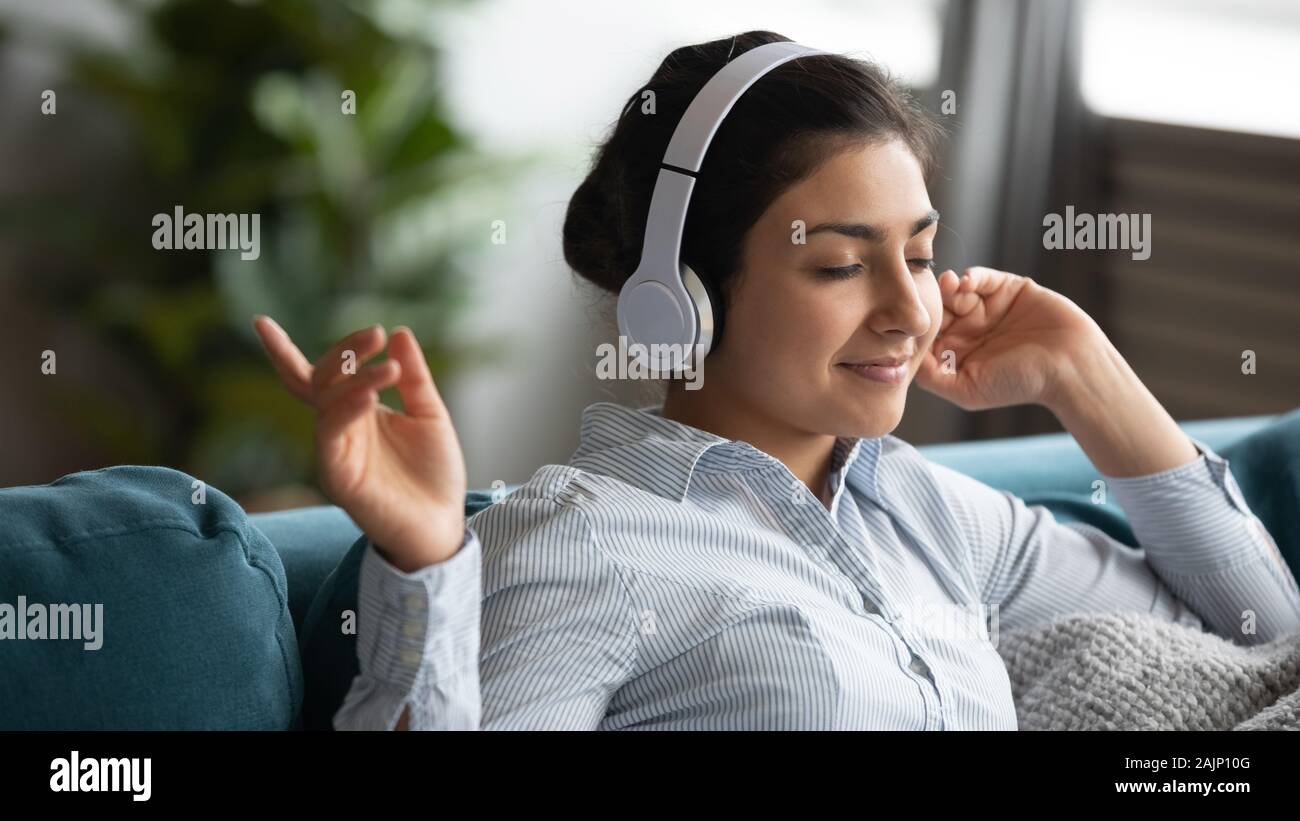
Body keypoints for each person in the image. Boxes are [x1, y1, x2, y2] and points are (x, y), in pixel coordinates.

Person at [252, 31, 1300, 730]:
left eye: (920, 255)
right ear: (682, 295)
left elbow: (1265, 636)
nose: (906, 307)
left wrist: (1084, 372)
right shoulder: (587, 543)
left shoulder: (933, 514)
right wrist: (428, 555)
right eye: (841, 265)